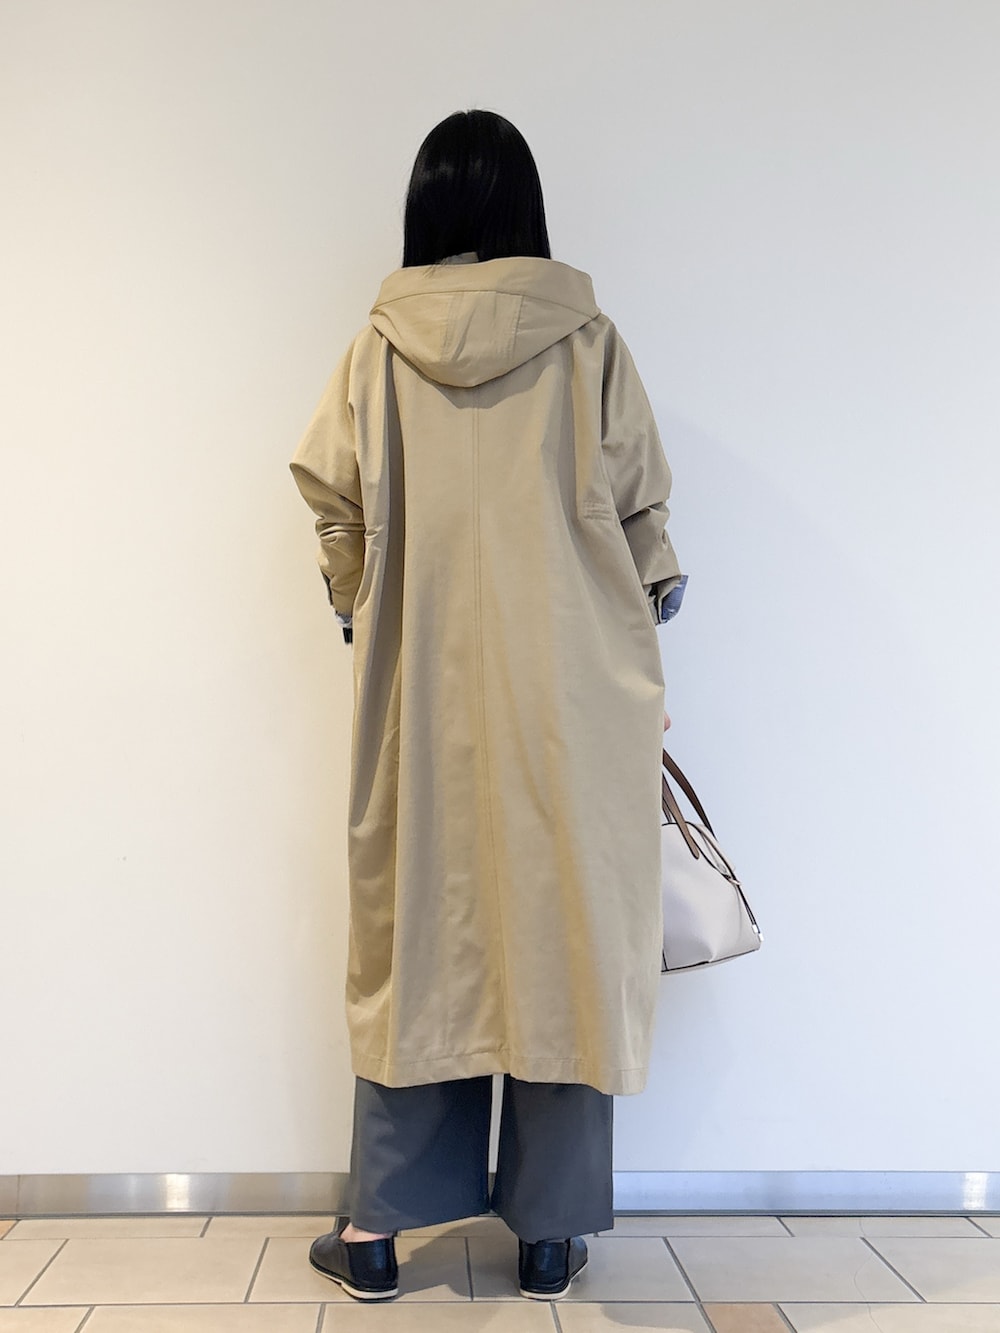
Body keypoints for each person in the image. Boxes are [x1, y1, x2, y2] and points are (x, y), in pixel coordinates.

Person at [289, 108, 686, 1303]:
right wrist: (640, 620)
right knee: (563, 941)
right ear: (524, 208)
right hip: (569, 703)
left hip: (419, 702)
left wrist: (359, 598)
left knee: (416, 939)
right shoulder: (586, 341)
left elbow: (329, 493)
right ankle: (549, 1233)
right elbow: (643, 515)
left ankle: (374, 1231)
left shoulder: (375, 352)